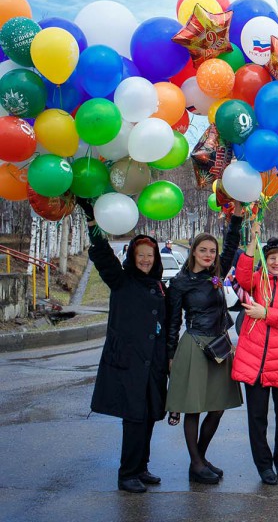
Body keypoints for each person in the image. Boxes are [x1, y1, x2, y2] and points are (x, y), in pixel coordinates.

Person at [78, 199, 168, 494]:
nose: (145, 260)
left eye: (149, 256)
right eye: (140, 255)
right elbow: (103, 255)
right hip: (129, 362)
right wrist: (93, 221)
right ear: (132, 257)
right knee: (134, 418)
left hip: (152, 363)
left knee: (150, 415)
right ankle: (127, 473)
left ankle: (141, 466)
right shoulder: (121, 280)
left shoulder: (157, 285)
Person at [165, 215, 244, 485]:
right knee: (194, 408)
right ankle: (196, 464)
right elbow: (173, 322)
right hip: (196, 346)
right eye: (203, 250)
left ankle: (200, 458)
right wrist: (171, 355)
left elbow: (232, 246)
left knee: (217, 407)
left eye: (212, 251)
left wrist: (237, 218)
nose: (209, 255)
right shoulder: (179, 283)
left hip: (219, 346)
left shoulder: (216, 275)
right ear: (193, 252)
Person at [231, 220, 278, 485]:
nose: (276, 262)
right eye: (272, 257)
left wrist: (266, 313)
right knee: (257, 418)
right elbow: (240, 276)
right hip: (255, 362)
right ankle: (263, 465)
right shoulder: (257, 281)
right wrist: (253, 241)